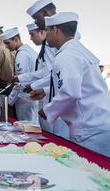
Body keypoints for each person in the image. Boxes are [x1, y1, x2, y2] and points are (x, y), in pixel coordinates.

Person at [31, 12, 110, 157]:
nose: (46, 35)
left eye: (47, 30)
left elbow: (71, 93)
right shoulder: (77, 50)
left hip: (90, 131)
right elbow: (79, 86)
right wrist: (46, 91)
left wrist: (48, 110)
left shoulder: (67, 55)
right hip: (99, 125)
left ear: (55, 30)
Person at [14, 0, 69, 138]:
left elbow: (53, 74)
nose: (36, 23)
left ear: (45, 13)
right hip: (50, 99)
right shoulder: (51, 41)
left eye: (36, 18)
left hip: (58, 106)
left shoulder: (61, 40)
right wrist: (38, 87)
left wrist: (29, 83)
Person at [0, 27, 38, 124]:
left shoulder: (22, 55)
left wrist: (9, 101)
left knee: (26, 128)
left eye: (8, 43)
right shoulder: (29, 51)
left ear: (16, 39)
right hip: (32, 97)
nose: (6, 46)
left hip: (25, 99)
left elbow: (20, 82)